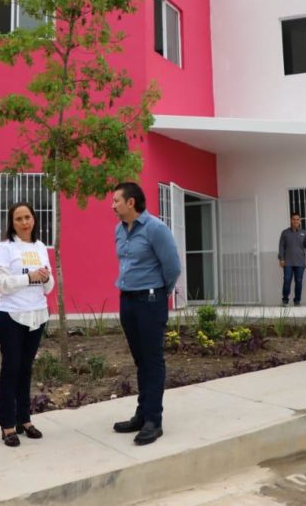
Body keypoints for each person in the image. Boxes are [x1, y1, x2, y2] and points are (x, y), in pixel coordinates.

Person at [111, 182, 181, 446]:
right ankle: (142, 414)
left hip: (150, 300)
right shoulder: (119, 229)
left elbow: (173, 267)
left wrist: (161, 292)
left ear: (131, 202)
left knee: (152, 360)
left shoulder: (156, 228)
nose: (112, 205)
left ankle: (153, 420)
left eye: (116, 200)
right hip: (127, 299)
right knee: (140, 360)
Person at [0, 202, 54, 447]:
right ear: (12, 223)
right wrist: (29, 277)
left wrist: (46, 278)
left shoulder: (40, 247)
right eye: (18, 219)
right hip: (11, 315)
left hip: (37, 314)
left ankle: (24, 420)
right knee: (11, 368)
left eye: (27, 217)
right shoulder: (5, 247)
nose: (24, 222)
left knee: (26, 369)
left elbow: (49, 287)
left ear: (34, 219)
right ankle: (7, 425)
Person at [278, 212, 306, 306]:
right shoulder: (285, 233)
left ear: (300, 221)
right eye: (294, 219)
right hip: (288, 262)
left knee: (298, 281)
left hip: (300, 262)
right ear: (291, 220)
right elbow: (281, 246)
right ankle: (285, 300)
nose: (295, 221)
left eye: (297, 219)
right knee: (287, 280)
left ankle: (297, 301)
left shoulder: (304, 233)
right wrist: (281, 259)